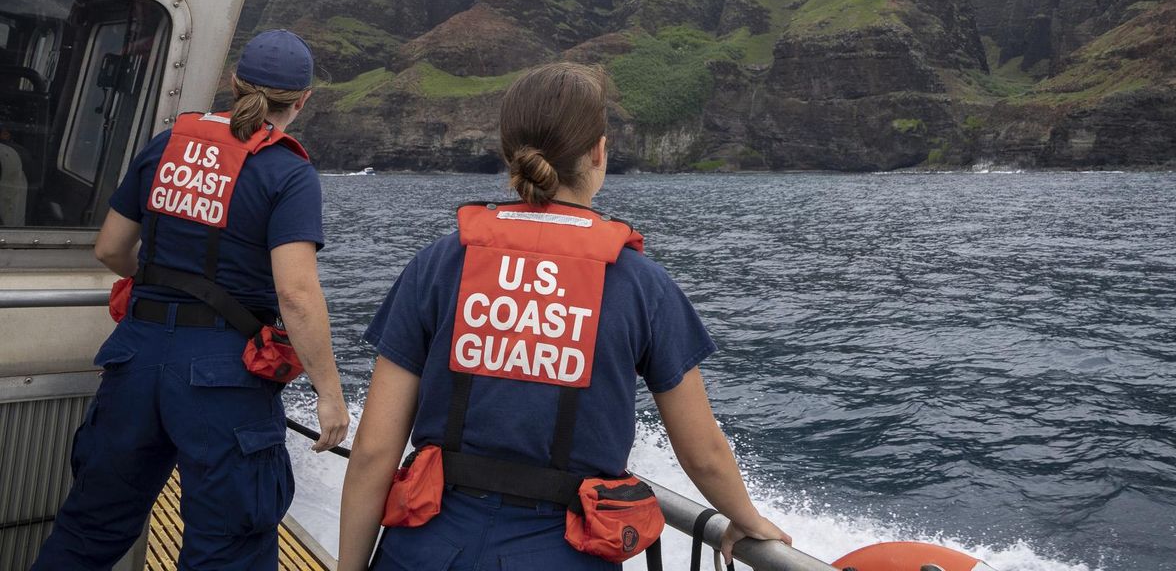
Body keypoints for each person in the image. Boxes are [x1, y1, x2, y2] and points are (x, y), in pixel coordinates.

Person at [338, 62, 789, 570]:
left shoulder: (439, 264)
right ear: (599, 152)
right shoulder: (641, 284)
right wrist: (745, 518)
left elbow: (374, 451)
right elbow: (703, 451)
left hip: (427, 548)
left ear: (509, 152)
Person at [33, 29, 349, 571]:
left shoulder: (166, 146)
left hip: (134, 359)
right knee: (227, 546)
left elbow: (110, 248)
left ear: (234, 83)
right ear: (303, 100)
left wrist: (156, 286)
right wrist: (330, 394)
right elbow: (296, 294)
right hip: (223, 377)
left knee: (89, 527)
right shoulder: (288, 172)